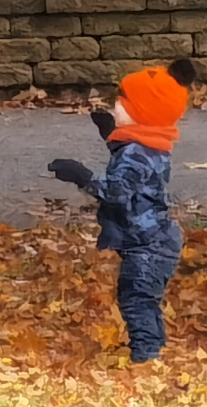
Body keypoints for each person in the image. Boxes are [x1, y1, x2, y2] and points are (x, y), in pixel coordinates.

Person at [47, 58, 196, 362]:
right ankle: (153, 350)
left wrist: (81, 176)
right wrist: (110, 137)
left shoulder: (137, 153)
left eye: (123, 104)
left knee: (136, 300)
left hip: (148, 247)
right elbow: (129, 166)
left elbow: (116, 191)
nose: (116, 108)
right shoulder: (150, 145)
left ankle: (147, 355)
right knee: (143, 299)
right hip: (154, 240)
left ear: (143, 114)